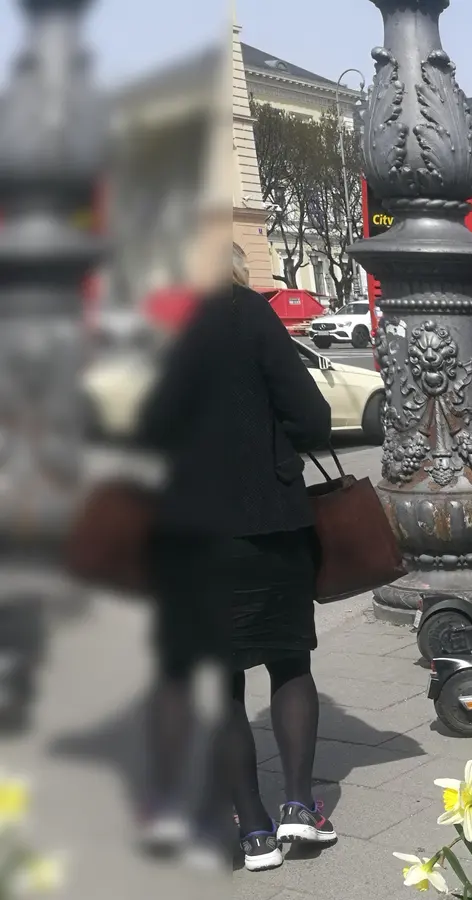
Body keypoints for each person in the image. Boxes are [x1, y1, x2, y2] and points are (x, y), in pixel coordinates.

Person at [139, 243, 336, 872]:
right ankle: (300, 809)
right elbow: (312, 416)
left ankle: (251, 830)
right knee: (288, 662)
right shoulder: (249, 312)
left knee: (221, 682)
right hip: (267, 524)